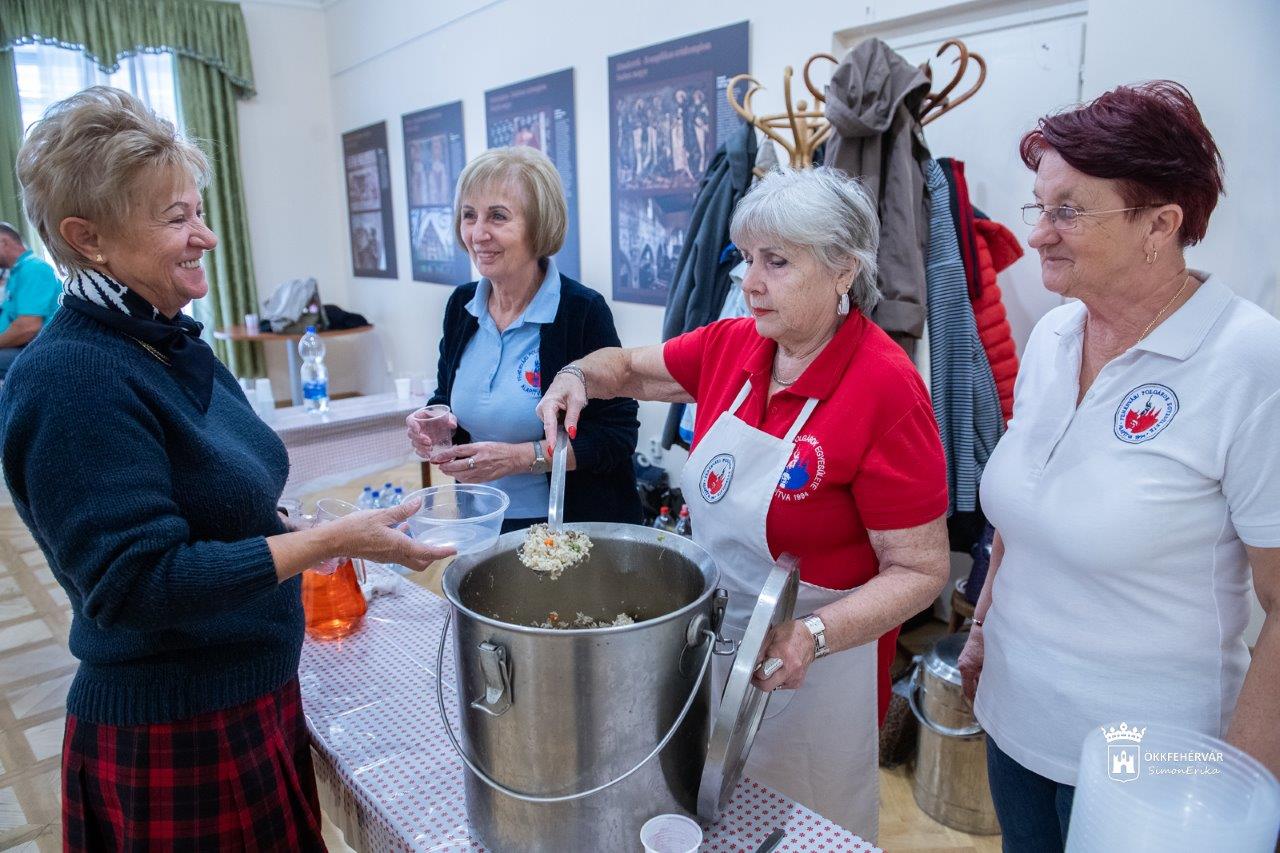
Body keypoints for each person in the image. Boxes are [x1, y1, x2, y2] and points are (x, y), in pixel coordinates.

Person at [1, 86, 453, 851]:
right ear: (89, 238)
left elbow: (215, 497)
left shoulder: (167, 338)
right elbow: (136, 584)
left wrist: (290, 526)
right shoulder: (71, 379)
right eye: (176, 218)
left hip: (248, 695)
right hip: (174, 727)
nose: (205, 236)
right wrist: (324, 542)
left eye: (199, 211)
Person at [538, 166, 950, 838]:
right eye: (747, 259)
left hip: (818, 666)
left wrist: (811, 636)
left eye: (777, 262)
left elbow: (921, 569)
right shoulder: (736, 345)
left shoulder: (886, 390)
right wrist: (576, 375)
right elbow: (633, 367)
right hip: (714, 637)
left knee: (800, 829)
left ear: (844, 268)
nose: (749, 282)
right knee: (711, 813)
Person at [957, 81, 1280, 852]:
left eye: (1067, 209)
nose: (1037, 233)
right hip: (1016, 721)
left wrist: (1238, 782)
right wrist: (980, 629)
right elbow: (1019, 514)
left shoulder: (1248, 361)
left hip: (1155, 771)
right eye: (1041, 206)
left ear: (1160, 225)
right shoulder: (1056, 338)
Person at [407, 146, 641, 531]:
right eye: (469, 216)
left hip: (568, 528)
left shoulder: (581, 312)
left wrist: (521, 457)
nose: (477, 234)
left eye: (498, 217)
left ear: (539, 226)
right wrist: (434, 423)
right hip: (480, 518)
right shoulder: (461, 305)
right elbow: (447, 397)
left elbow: (616, 436)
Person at [0, 221, 61, 378]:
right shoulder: (16, 273)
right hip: (19, 347)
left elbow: (28, 328)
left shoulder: (34, 269)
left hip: (36, 349)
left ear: (3, 242)